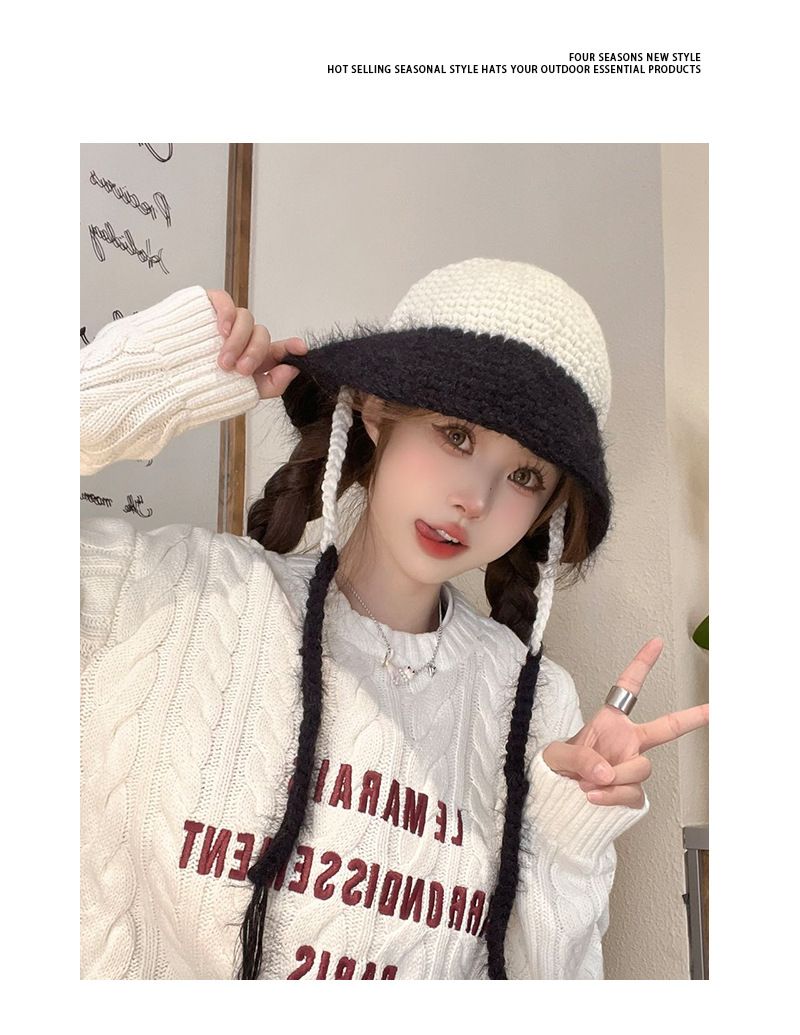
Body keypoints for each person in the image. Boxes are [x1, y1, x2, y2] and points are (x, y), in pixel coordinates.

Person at [80, 258, 708, 981]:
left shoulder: (537, 706)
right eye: (457, 434)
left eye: (525, 475)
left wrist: (569, 835)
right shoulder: (164, 593)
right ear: (377, 412)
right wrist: (129, 383)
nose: (475, 499)